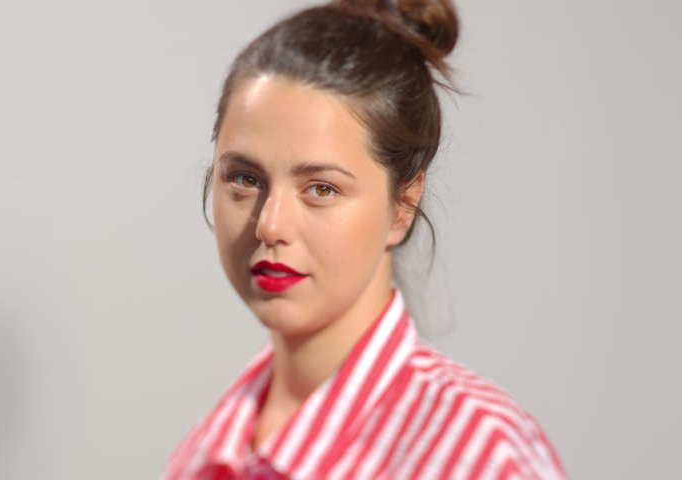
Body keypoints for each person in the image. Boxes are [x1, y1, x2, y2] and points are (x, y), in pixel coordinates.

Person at [162, 0, 566, 478]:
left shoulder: (477, 454)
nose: (270, 225)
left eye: (322, 188)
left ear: (402, 206)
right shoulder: (205, 454)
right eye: (246, 179)